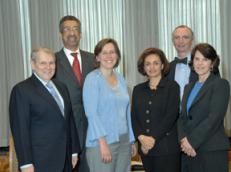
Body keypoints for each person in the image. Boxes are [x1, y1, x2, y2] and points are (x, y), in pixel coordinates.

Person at [9, 48, 80, 172]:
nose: (48, 67)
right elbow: (20, 131)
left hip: (65, 159)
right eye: (43, 63)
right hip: (40, 162)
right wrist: (26, 163)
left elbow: (69, 121)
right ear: (33, 64)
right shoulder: (21, 90)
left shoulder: (62, 87)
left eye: (51, 63)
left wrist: (74, 151)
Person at [82, 38, 137, 172]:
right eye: (104, 52)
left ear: (117, 56)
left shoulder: (120, 78)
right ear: (97, 57)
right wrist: (102, 143)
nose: (109, 56)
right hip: (102, 141)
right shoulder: (92, 79)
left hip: (124, 141)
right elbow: (92, 114)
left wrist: (131, 140)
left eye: (112, 52)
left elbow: (126, 111)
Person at [177, 43, 230, 172]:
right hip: (188, 151)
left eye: (205, 59)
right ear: (192, 61)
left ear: (212, 63)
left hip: (211, 150)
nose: (200, 63)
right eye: (197, 59)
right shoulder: (188, 87)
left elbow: (214, 118)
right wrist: (183, 140)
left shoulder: (220, 84)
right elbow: (182, 117)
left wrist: (191, 142)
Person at [54, 15, 95, 172]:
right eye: (67, 29)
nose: (72, 33)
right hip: (66, 128)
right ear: (60, 34)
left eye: (75, 29)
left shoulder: (93, 59)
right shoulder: (53, 61)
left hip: (93, 128)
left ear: (81, 34)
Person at [131, 47, 180, 172]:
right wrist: (141, 137)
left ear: (162, 65)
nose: (151, 67)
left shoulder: (172, 87)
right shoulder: (138, 89)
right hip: (146, 150)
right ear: (143, 67)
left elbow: (171, 116)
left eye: (156, 63)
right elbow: (134, 117)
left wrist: (151, 139)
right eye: (148, 64)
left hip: (167, 148)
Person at [167, 25, 198, 99]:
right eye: (177, 38)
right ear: (173, 41)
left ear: (192, 41)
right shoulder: (166, 68)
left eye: (185, 37)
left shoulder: (205, 65)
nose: (181, 41)